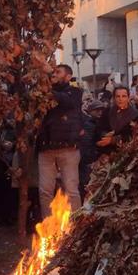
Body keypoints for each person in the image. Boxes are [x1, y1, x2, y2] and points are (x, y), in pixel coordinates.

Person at [38, 64, 83, 217]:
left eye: (58, 72)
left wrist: (47, 90)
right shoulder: (43, 94)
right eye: (53, 71)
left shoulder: (75, 92)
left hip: (68, 148)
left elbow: (66, 101)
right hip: (46, 149)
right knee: (45, 191)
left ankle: (76, 225)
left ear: (68, 77)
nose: (54, 74)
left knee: (71, 190)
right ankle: (48, 225)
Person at [95, 86, 138, 156]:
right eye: (118, 96)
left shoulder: (136, 115)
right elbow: (98, 129)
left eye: (124, 96)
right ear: (114, 98)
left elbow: (135, 136)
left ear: (128, 98)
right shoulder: (107, 112)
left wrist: (113, 139)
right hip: (107, 152)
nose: (120, 99)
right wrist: (104, 134)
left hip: (127, 153)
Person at [79, 100, 105, 201]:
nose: (100, 112)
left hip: (90, 160)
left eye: (101, 110)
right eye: (97, 110)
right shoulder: (89, 124)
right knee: (87, 185)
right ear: (90, 111)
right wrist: (90, 159)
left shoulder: (96, 123)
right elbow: (86, 143)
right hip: (88, 161)